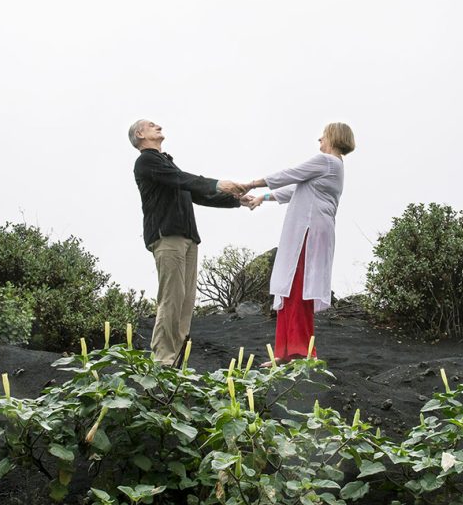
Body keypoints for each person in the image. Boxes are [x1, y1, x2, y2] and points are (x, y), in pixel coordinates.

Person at [128, 119, 254, 365]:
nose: (158, 126)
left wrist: (235, 200)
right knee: (171, 298)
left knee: (186, 302)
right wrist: (218, 184)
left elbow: (194, 192)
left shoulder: (166, 164)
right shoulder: (146, 161)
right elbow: (184, 180)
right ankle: (163, 360)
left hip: (187, 237)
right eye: (151, 125)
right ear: (140, 134)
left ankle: (175, 359)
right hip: (167, 237)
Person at [234, 123, 356, 365]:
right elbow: (295, 189)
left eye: (323, 135)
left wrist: (251, 184)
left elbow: (290, 174)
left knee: (299, 287)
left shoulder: (327, 162)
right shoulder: (331, 167)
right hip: (304, 231)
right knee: (289, 288)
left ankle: (301, 352)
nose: (319, 139)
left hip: (309, 232)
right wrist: (262, 197)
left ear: (333, 137)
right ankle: (286, 352)